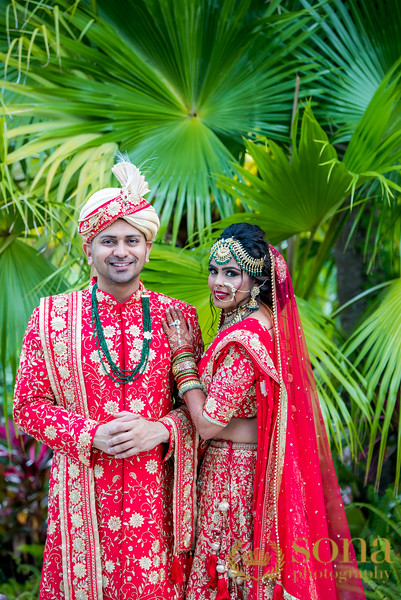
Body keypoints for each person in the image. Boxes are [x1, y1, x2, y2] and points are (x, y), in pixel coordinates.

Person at [13, 159, 211, 600]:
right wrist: (92, 434)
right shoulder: (51, 317)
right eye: (108, 241)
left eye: (131, 240)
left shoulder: (178, 317)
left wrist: (159, 429)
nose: (120, 251)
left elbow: (200, 408)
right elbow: (27, 405)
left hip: (155, 502)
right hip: (82, 499)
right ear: (89, 249)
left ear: (147, 249)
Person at [162, 223, 366, 600]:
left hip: (231, 480)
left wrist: (182, 359)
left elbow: (207, 423)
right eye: (214, 270)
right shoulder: (262, 324)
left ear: (255, 281)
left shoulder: (245, 340)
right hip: (245, 468)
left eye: (231, 273)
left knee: (226, 574)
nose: (218, 282)